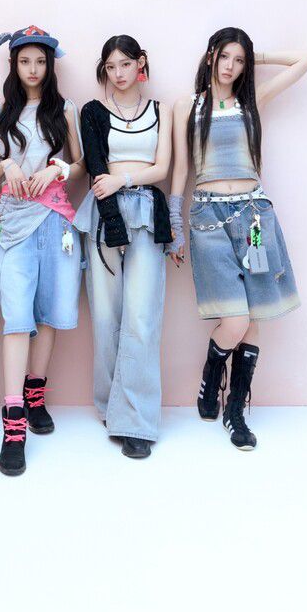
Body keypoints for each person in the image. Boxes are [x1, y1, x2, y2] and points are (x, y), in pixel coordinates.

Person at [169, 28, 307, 450]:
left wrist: (257, 54)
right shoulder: (188, 106)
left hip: (253, 218)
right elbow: (181, 169)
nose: (231, 66)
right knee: (234, 320)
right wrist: (175, 224)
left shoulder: (251, 102)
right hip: (208, 218)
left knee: (254, 316)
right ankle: (213, 370)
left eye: (239, 60)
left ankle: (235, 410)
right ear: (210, 57)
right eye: (225, 57)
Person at [0, 26, 84, 476]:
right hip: (13, 226)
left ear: (49, 65)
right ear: (14, 64)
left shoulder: (65, 110)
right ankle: (13, 425)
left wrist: (57, 168)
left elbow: (80, 163)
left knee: (49, 313)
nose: (33, 69)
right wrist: (6, 163)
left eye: (40, 61)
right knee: (17, 318)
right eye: (25, 61)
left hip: (57, 222)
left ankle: (35, 394)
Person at [74, 35, 173, 459]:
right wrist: (111, 185)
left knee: (141, 314)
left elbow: (162, 168)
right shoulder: (93, 111)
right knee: (105, 314)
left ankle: (136, 420)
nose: (118, 73)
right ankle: (109, 405)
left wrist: (124, 179)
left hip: (147, 212)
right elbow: (96, 167)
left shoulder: (162, 111)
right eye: (111, 67)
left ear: (140, 64)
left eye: (126, 64)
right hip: (104, 213)